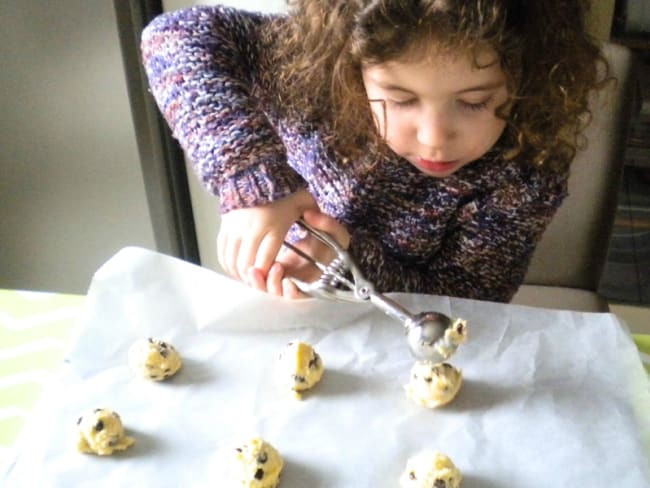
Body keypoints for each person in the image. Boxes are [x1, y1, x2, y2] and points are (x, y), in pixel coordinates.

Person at [141, 0, 608, 303]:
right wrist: (253, 181)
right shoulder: (306, 72)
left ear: (528, 78)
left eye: (474, 102)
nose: (433, 137)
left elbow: (469, 303)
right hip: (274, 318)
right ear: (349, 63)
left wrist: (344, 261)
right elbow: (174, 36)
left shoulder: (522, 176)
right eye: (400, 99)